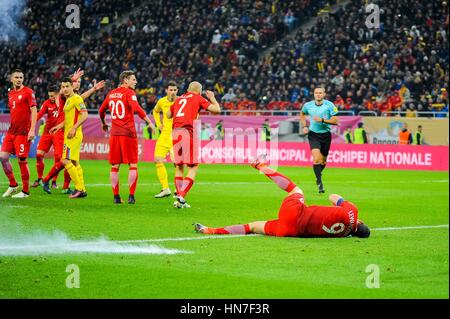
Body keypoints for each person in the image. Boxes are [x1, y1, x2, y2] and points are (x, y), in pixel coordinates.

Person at [195, 154, 370, 239]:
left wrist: (343, 206)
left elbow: (333, 196)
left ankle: (260, 166)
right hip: (290, 231)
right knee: (253, 226)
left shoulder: (352, 212)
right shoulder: (342, 235)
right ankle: (210, 230)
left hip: (296, 213)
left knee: (296, 190)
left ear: (360, 223)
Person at [99, 70, 155, 204]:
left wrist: (103, 123)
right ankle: (131, 196)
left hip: (115, 133)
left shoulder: (111, 94)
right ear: (125, 80)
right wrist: (149, 122)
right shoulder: (129, 93)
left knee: (115, 166)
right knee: (133, 164)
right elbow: (136, 108)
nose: (135, 82)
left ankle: (116, 197)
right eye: (133, 79)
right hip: (128, 133)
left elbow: (101, 110)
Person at [167, 81, 221, 208]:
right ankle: (181, 195)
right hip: (187, 133)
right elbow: (217, 110)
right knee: (193, 167)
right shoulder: (198, 98)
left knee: (179, 167)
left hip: (176, 133)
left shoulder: (179, 99)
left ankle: (178, 200)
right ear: (199, 91)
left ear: (187, 89)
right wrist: (212, 98)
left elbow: (169, 115)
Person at [46, 77, 88, 198]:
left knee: (65, 160)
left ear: (72, 86)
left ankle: (79, 188)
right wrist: (58, 127)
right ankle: (83, 189)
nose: (64, 89)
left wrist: (74, 128)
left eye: (67, 86)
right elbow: (67, 120)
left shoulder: (76, 98)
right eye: (63, 87)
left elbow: (85, 115)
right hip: (68, 135)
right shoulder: (68, 100)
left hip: (73, 135)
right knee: (75, 162)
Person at [1, 69, 37, 198]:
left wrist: (32, 130)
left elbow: (34, 111)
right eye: (16, 77)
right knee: (3, 157)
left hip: (23, 132)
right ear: (11, 79)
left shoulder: (28, 92)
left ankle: (25, 191)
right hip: (11, 131)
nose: (19, 79)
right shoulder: (10, 93)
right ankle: (13, 185)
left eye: (21, 77)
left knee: (22, 160)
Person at [299, 86, 339, 193]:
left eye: (320, 93)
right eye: (316, 93)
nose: (318, 94)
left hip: (326, 135)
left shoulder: (329, 105)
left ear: (324, 94)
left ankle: (318, 174)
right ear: (314, 94)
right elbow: (302, 114)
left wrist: (322, 120)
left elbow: (336, 121)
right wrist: (304, 126)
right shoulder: (308, 105)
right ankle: (319, 182)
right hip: (313, 134)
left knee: (323, 160)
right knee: (316, 159)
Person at [31, 85, 64, 189]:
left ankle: (53, 181)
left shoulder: (63, 102)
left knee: (58, 158)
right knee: (39, 155)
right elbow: (39, 115)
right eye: (49, 96)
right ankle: (39, 178)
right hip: (47, 133)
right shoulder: (46, 103)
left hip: (59, 133)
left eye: (53, 96)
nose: (51, 98)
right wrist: (30, 125)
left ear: (57, 94)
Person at [152, 81, 178, 198]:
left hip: (176, 137)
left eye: (175, 90)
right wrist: (158, 124)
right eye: (171, 90)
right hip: (164, 136)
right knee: (158, 160)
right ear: (167, 91)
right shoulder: (162, 101)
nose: (173, 92)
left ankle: (179, 191)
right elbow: (155, 111)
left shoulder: (180, 101)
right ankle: (165, 188)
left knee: (177, 164)